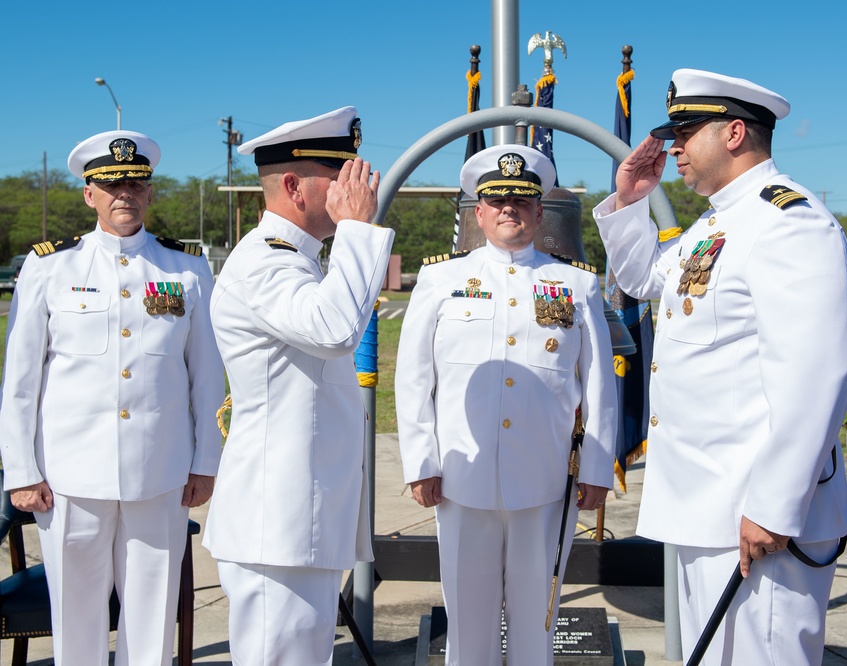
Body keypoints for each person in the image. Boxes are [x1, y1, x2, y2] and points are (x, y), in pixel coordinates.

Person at [593, 69, 847, 664]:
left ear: (735, 132)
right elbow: (643, 280)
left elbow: (816, 375)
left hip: (757, 518)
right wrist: (631, 201)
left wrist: (774, 505)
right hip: (708, 508)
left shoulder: (786, 220)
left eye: (685, 131)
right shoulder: (715, 225)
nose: (674, 147)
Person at [0, 130, 224, 664]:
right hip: (69, 479)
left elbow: (207, 376)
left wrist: (205, 461)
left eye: (135, 183)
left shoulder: (186, 270)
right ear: (89, 194)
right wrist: (21, 471)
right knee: (76, 623)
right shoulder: (50, 267)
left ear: (149, 192)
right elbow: (21, 380)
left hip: (161, 474)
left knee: (151, 625)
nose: (124, 192)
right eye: (110, 184)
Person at [395, 144, 617, 666]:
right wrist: (421, 462)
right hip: (460, 479)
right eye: (497, 201)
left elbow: (601, 382)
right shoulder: (441, 280)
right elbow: (413, 378)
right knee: (467, 624)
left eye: (521, 200)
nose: (509, 209)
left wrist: (598, 466)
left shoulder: (578, 284)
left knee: (537, 620)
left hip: (544, 483)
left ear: (540, 212)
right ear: (479, 213)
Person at [203, 107, 395, 666]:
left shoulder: (303, 263)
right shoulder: (263, 263)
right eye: (341, 176)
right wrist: (359, 229)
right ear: (293, 185)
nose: (357, 187)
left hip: (299, 523)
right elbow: (335, 331)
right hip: (276, 524)